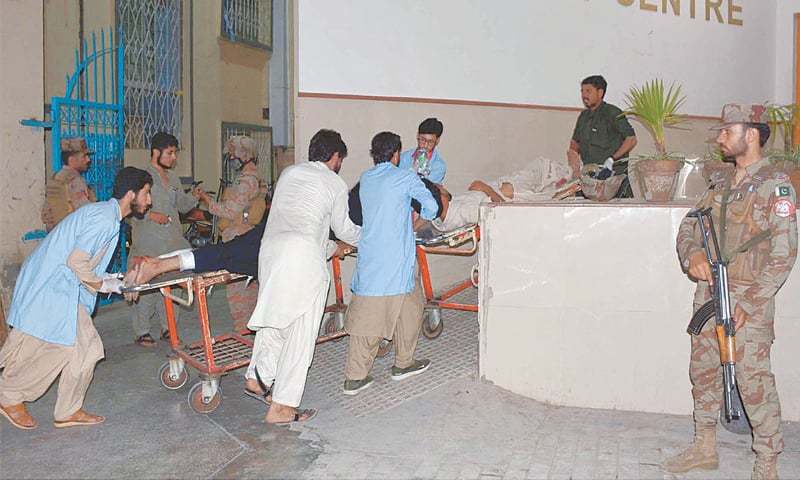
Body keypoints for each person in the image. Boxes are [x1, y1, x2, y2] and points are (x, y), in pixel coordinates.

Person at [665, 104, 797, 480]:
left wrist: (751, 304)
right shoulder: (719, 184)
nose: (720, 137)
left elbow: (784, 253)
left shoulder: (776, 185)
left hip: (748, 302)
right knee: (703, 372)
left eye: (728, 130)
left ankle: (767, 463)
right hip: (710, 297)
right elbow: (689, 226)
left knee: (754, 382)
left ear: (751, 134)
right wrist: (692, 255)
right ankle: (705, 447)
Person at [0, 167, 152, 430]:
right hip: (54, 286)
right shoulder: (105, 219)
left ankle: (65, 409)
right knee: (71, 347)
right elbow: (77, 262)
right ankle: (11, 395)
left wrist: (117, 283)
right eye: (146, 193)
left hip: (62, 287)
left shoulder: (108, 217)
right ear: (131, 194)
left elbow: (86, 264)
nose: (149, 201)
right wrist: (107, 284)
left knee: (73, 349)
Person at [244, 129, 360, 424]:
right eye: (339, 160)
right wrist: (368, 237)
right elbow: (343, 228)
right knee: (301, 332)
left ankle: (258, 377)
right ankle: (282, 407)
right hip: (303, 259)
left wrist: (335, 248)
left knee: (274, 317)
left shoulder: (288, 174)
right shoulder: (334, 182)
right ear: (335, 157)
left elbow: (307, 228)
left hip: (271, 253)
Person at [342, 132, 439, 395]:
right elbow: (432, 207)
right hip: (398, 259)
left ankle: (355, 376)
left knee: (368, 316)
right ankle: (404, 362)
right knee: (411, 307)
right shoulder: (405, 177)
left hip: (371, 259)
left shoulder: (366, 178)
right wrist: (415, 215)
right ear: (396, 154)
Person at [128, 132, 198, 347]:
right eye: (170, 153)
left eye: (175, 153)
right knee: (147, 286)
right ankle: (142, 331)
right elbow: (130, 208)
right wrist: (150, 215)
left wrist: (196, 196)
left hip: (172, 240)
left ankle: (169, 328)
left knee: (172, 284)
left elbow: (183, 206)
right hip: (149, 240)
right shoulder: (142, 177)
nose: (173, 158)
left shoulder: (173, 179)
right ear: (156, 152)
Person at [195, 136, 267, 331]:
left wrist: (206, 199)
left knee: (239, 296)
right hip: (244, 236)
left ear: (244, 155)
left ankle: (244, 338)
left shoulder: (247, 181)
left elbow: (230, 211)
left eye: (233, 154)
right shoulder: (252, 178)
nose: (231, 158)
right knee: (249, 291)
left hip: (238, 238)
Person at [567, 75, 637, 195]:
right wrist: (575, 167)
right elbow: (574, 144)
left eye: (588, 91)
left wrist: (612, 159)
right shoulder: (583, 117)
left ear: (600, 92)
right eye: (582, 91)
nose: (584, 95)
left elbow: (631, 139)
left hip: (613, 181)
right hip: (589, 181)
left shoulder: (612, 113)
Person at [41, 137, 97, 232]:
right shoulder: (75, 180)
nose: (88, 159)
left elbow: (46, 213)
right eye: (84, 156)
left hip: (55, 234)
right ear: (71, 160)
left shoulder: (56, 178)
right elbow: (86, 211)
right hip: (71, 235)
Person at [398, 117, 447, 184]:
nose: (425, 145)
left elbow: (423, 187)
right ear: (417, 135)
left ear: (437, 140)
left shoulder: (439, 166)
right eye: (423, 140)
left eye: (430, 142)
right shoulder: (402, 157)